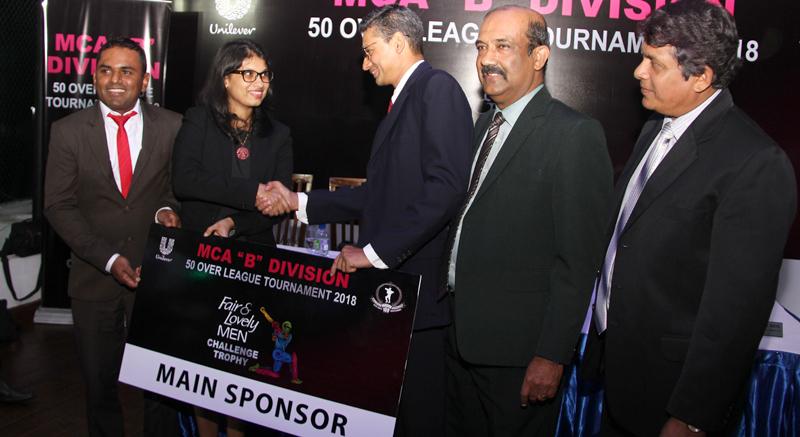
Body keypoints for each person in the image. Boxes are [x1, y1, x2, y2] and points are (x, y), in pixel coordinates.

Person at [259, 5, 473, 435]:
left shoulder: (437, 89)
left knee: (421, 415)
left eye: (369, 50)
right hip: (395, 294)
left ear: (398, 43)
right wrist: (299, 203)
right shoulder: (402, 102)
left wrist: (374, 254)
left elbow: (446, 189)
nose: (364, 62)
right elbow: (378, 195)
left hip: (416, 295)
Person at [587, 1, 798, 435]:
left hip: (673, 397)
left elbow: (734, 315)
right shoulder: (655, 129)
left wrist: (690, 417)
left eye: (653, 63)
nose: (638, 72)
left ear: (700, 77)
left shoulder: (755, 163)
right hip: (623, 376)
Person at [444, 6, 612, 436]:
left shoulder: (574, 134)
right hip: (460, 341)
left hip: (519, 358)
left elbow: (578, 261)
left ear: (539, 57)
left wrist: (552, 355)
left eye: (503, 46)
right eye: (482, 47)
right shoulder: (483, 125)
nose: (486, 58)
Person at [44, 37, 182, 436]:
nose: (115, 80)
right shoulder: (67, 132)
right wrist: (106, 259)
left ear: (144, 81)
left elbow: (178, 190)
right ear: (94, 77)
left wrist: (167, 211)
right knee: (99, 388)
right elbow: (58, 205)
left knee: (159, 389)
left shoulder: (173, 126)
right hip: (93, 279)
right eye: (106, 70)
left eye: (127, 71)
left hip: (155, 277)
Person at [171, 38, 293, 437]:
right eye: (249, 74)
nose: (259, 83)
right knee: (204, 362)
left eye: (264, 75)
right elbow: (185, 180)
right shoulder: (198, 120)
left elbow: (276, 204)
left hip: (254, 258)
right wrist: (246, 196)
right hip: (203, 258)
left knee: (245, 362)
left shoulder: (278, 134)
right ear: (226, 78)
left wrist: (233, 225)